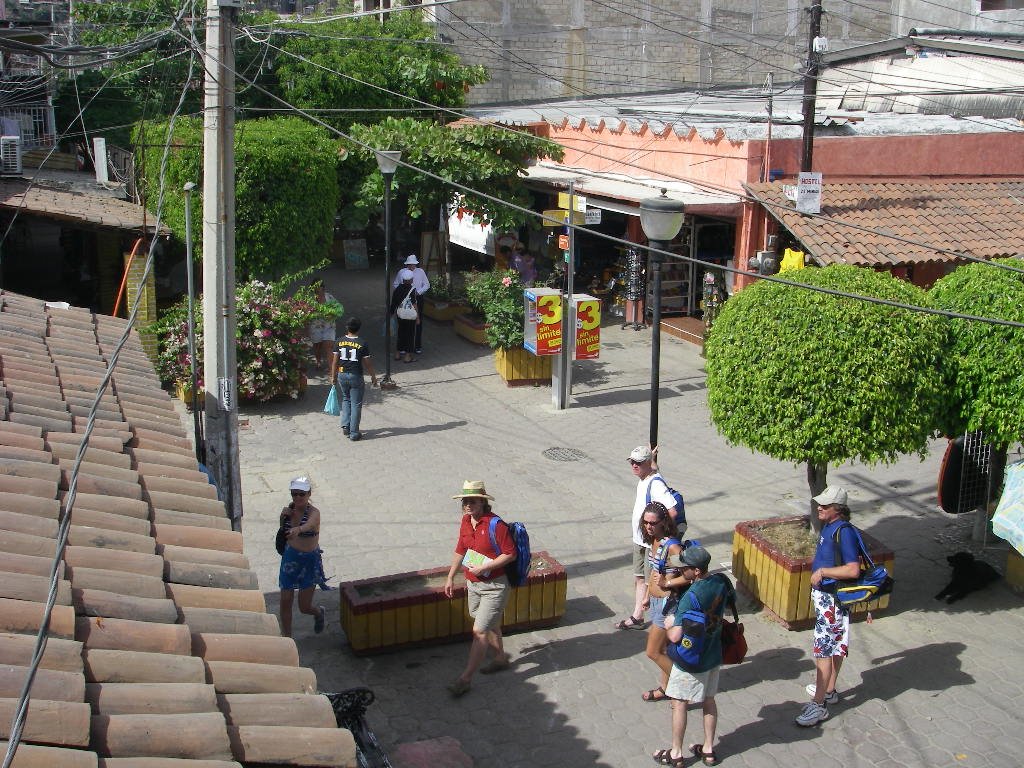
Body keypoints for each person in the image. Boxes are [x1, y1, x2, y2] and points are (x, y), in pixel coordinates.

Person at [654, 546, 734, 767]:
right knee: (709, 700)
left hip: (690, 658)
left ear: (697, 571)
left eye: (685, 568)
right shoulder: (721, 582)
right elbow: (730, 601)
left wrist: (670, 625)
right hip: (713, 654)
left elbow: (676, 634)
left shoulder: (691, 596)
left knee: (679, 702)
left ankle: (676, 754)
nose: (681, 571)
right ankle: (708, 750)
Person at [443, 480, 517, 698]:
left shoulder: (496, 525)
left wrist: (486, 567)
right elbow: (460, 548)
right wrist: (450, 577)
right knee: (488, 622)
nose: (468, 505)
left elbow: (510, 554)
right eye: (465, 501)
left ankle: (465, 680)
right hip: (472, 584)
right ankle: (501, 658)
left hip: (494, 587)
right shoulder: (466, 521)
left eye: (472, 501)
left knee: (479, 631)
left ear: (483, 502)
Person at [796, 485, 861, 727]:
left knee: (823, 649)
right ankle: (830, 690)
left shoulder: (844, 532)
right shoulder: (829, 526)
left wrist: (823, 571)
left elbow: (852, 569)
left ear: (839, 509)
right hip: (825, 598)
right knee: (835, 646)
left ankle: (819, 704)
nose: (819, 508)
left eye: (825, 505)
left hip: (832, 600)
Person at [615, 445, 681, 631]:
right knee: (639, 577)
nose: (633, 466)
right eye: (631, 462)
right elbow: (653, 469)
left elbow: (672, 511)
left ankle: (659, 621)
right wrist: (651, 458)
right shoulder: (645, 476)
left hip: (649, 543)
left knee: (650, 581)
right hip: (639, 540)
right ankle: (638, 616)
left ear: (646, 464)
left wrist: (656, 533)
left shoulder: (656, 484)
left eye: (637, 463)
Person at [640, 502, 684, 703]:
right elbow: (654, 571)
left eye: (653, 523)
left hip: (668, 605)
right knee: (665, 651)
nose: (648, 526)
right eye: (646, 522)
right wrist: (647, 595)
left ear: (664, 522)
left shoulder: (672, 545)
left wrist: (668, 582)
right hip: (657, 602)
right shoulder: (654, 540)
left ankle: (683, 685)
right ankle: (665, 689)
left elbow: (692, 573)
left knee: (653, 652)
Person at [278, 476, 330, 637]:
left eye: (302, 494)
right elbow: (283, 532)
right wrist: (283, 519)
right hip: (290, 559)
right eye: (294, 494)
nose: (298, 498)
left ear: (309, 494)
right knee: (285, 600)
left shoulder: (314, 513)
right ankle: (287, 637)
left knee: (304, 606)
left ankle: (318, 613)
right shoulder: (288, 512)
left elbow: (309, 525)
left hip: (309, 561)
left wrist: (298, 529)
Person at [329, 317, 377, 441]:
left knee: (346, 399)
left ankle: (346, 425)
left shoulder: (339, 341)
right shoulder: (362, 343)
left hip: (342, 375)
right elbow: (368, 363)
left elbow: (335, 362)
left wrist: (333, 376)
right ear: (359, 329)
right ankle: (354, 433)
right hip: (356, 375)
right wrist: (373, 376)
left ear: (347, 327)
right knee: (356, 404)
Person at [390, 255, 430, 354]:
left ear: (415, 264)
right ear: (407, 264)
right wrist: (402, 291)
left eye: (413, 264)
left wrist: (418, 292)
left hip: (417, 298)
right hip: (404, 299)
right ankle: (403, 347)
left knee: (418, 324)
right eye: (410, 264)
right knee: (403, 323)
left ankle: (417, 346)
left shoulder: (420, 271)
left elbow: (427, 284)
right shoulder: (401, 272)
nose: (411, 266)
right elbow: (395, 284)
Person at [389, 269, 419, 363]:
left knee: (401, 333)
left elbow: (393, 303)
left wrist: (391, 314)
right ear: (411, 280)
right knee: (410, 335)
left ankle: (397, 354)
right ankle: (407, 356)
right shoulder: (412, 289)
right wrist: (418, 317)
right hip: (410, 317)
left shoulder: (397, 289)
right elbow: (414, 305)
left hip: (400, 316)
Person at [308, 281, 338, 371]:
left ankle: (331, 369)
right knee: (317, 346)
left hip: (329, 326)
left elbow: (338, 309)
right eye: (316, 290)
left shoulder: (329, 297)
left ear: (323, 289)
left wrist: (333, 314)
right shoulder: (310, 300)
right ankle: (318, 361)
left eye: (320, 289)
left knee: (329, 346)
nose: (319, 292)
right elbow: (306, 314)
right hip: (315, 326)